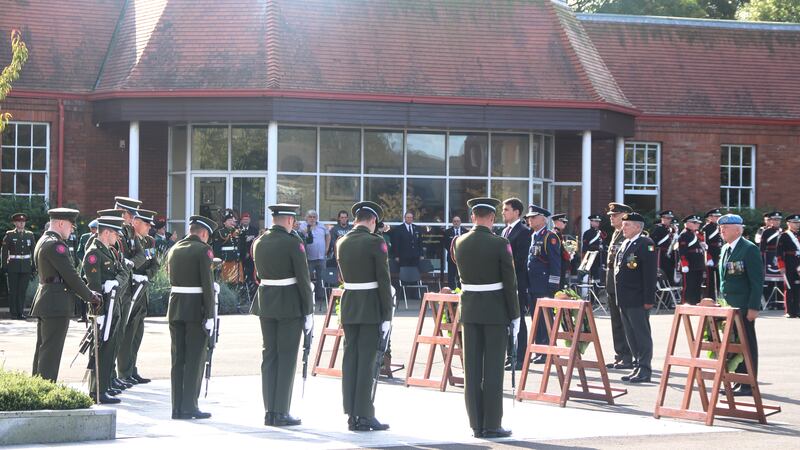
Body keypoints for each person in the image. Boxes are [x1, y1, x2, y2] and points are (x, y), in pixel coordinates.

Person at [452, 197, 519, 438]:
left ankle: (475, 424)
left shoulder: (458, 242)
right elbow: (510, 284)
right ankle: (491, 424)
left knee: (471, 368)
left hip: (469, 311)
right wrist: (515, 315)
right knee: (492, 369)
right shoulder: (500, 244)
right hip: (495, 312)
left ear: (472, 217)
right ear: (492, 218)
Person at [251, 204, 314, 427]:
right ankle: (281, 412)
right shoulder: (292, 242)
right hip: (288, 304)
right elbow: (303, 279)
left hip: (266, 302)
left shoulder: (259, 241)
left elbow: (258, 274)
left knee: (269, 356)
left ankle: (269, 411)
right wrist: (309, 310)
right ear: (288, 220)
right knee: (286, 358)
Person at [335, 201, 393, 432]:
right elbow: (383, 279)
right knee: (368, 363)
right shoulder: (375, 242)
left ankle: (352, 413)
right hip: (370, 307)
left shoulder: (341, 241)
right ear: (373, 221)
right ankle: (365, 414)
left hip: (349, 305)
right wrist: (387, 314)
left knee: (351, 361)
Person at [30, 208, 101, 383]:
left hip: (46, 299)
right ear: (61, 223)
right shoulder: (56, 245)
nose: (72, 230)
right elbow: (71, 276)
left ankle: (37, 387)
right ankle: (45, 390)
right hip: (56, 303)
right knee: (51, 352)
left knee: (43, 349)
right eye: (70, 226)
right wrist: (90, 296)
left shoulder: (43, 240)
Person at [166, 215, 218, 419]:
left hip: (176, 306)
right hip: (196, 309)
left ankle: (177, 407)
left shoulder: (174, 248)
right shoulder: (203, 250)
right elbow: (207, 284)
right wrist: (211, 315)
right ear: (204, 233)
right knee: (195, 358)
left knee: (178, 358)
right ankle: (189, 406)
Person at [718, 213, 764, 397]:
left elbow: (756, 281)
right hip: (729, 307)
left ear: (738, 229)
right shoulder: (725, 249)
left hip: (744, 307)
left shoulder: (748, 249)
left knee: (746, 344)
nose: (722, 231)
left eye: (726, 228)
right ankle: (738, 379)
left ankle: (748, 383)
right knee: (734, 345)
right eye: (721, 228)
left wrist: (753, 307)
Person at [83, 215, 127, 403]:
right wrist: (98, 313)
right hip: (102, 309)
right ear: (106, 232)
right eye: (115, 233)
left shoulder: (109, 252)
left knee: (110, 348)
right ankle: (97, 390)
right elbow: (94, 287)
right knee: (100, 349)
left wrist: (116, 281)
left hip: (112, 306)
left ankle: (104, 387)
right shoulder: (94, 253)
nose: (117, 237)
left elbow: (123, 273)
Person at [613, 212, 656, 384]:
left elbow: (650, 274)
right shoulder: (625, 243)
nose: (623, 228)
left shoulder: (646, 244)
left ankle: (645, 368)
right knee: (630, 334)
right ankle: (637, 366)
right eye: (623, 225)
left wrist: (648, 299)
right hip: (624, 298)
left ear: (638, 227)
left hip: (638, 298)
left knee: (641, 334)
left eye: (628, 225)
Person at [118, 209, 159, 385]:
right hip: (130, 289)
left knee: (137, 333)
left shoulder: (149, 241)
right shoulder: (127, 240)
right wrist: (135, 274)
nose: (149, 227)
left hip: (142, 290)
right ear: (135, 222)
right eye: (146, 223)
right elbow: (125, 263)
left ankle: (132, 369)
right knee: (128, 333)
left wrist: (147, 275)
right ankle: (124, 372)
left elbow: (155, 264)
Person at [525, 204, 561, 364]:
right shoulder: (534, 236)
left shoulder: (549, 236)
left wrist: (553, 285)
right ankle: (540, 349)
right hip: (533, 284)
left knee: (546, 318)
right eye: (528, 217)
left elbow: (555, 263)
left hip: (544, 284)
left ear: (542, 219)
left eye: (533, 217)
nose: (529, 220)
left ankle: (548, 350)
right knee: (536, 317)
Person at [499, 198, 530, 370]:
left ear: (517, 212)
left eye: (507, 209)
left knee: (519, 321)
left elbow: (520, 260)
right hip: (505, 283)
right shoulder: (504, 231)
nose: (503, 212)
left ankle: (521, 357)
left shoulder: (523, 231)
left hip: (517, 283)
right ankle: (510, 354)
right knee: (507, 321)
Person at [605, 202, 634, 370]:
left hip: (622, 284)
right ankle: (620, 355)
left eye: (614, 215)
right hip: (611, 283)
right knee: (616, 322)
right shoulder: (615, 233)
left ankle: (628, 357)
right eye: (610, 215)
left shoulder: (628, 234)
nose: (611, 217)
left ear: (624, 216)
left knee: (625, 322)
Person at [2, 212, 36, 319]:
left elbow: (34, 251)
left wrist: (34, 265)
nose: (21, 224)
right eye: (19, 222)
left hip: (25, 266)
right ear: (15, 223)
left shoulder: (29, 235)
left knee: (22, 291)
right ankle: (14, 313)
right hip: (13, 266)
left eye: (23, 222)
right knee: (13, 291)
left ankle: (20, 312)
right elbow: (4, 251)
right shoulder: (10, 234)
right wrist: (4, 266)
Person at [298, 209, 330, 308]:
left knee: (322, 277)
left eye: (314, 217)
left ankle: (321, 297)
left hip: (321, 257)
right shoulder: (302, 225)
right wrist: (308, 229)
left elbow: (328, 236)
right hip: (308, 257)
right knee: (307, 277)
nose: (312, 219)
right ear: (306, 218)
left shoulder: (322, 225)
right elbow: (302, 236)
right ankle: (308, 296)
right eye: (310, 217)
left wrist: (327, 248)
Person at [776, 214, 800, 318]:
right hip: (789, 264)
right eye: (794, 222)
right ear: (788, 223)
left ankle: (798, 310)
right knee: (790, 288)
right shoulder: (784, 236)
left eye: (798, 222)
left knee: (798, 288)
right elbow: (779, 253)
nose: (797, 224)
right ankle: (790, 311)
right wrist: (781, 266)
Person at [678, 214, 705, 305]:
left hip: (698, 264)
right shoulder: (684, 235)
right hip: (690, 264)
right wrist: (684, 264)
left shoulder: (697, 234)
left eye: (698, 223)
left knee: (697, 286)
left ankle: (696, 303)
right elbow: (682, 251)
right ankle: (686, 304)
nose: (697, 225)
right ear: (687, 223)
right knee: (689, 286)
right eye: (694, 223)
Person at [75, 219, 99, 322]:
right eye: (92, 229)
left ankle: (94, 314)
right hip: (85, 268)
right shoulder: (85, 237)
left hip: (96, 269)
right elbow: (79, 252)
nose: (94, 230)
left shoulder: (101, 238)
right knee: (83, 290)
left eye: (95, 228)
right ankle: (83, 315)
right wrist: (87, 259)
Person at [212, 209, 243, 284]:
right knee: (226, 282)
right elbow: (216, 249)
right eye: (229, 220)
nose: (232, 222)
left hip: (236, 260)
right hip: (225, 260)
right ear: (224, 222)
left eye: (232, 220)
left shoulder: (237, 232)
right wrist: (218, 262)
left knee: (237, 282)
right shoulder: (220, 232)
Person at [759, 211, 783, 306]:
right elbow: (762, 247)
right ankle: (770, 302)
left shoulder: (783, 232)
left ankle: (780, 302)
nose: (777, 222)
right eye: (774, 220)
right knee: (769, 282)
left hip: (779, 256)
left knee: (781, 282)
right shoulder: (766, 232)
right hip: (768, 256)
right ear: (771, 221)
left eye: (778, 220)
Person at [650, 210, 677, 285]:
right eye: (667, 218)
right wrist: (651, 254)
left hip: (670, 255)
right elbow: (651, 243)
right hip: (661, 255)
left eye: (670, 218)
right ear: (663, 218)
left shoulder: (671, 229)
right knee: (662, 274)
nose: (669, 220)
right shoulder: (658, 229)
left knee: (670, 275)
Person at [702, 208, 724, 298]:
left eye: (719, 216)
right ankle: (710, 297)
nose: (718, 218)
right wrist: (709, 257)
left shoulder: (721, 227)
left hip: (719, 253)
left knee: (720, 278)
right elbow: (705, 244)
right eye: (716, 216)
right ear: (710, 217)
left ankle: (719, 297)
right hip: (710, 254)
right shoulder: (706, 228)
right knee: (710, 279)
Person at [442, 215, 467, 290]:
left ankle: (460, 291)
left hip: (462, 258)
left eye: (458, 221)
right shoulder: (447, 232)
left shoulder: (465, 232)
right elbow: (445, 244)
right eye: (455, 221)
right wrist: (452, 251)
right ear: (452, 223)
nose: (456, 223)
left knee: (461, 275)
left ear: (460, 222)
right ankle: (451, 291)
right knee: (451, 276)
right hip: (451, 257)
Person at [581, 214, 606, 281]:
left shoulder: (601, 233)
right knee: (593, 276)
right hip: (592, 256)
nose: (597, 223)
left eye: (598, 221)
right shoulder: (587, 233)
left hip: (600, 256)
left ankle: (599, 290)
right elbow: (585, 246)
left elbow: (604, 245)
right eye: (595, 221)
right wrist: (584, 258)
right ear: (591, 222)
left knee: (601, 276)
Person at [238, 212, 260, 289]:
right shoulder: (237, 230)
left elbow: (256, 242)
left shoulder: (254, 230)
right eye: (244, 219)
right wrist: (246, 240)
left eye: (247, 219)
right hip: (241, 257)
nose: (245, 221)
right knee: (241, 275)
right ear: (241, 220)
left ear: (249, 220)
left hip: (251, 257)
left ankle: (251, 289)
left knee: (251, 275)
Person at [551, 213, 572, 288]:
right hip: (558, 266)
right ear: (556, 222)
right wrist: (567, 255)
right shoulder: (555, 234)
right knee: (559, 289)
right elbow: (558, 252)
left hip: (561, 266)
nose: (565, 224)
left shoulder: (558, 233)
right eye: (563, 222)